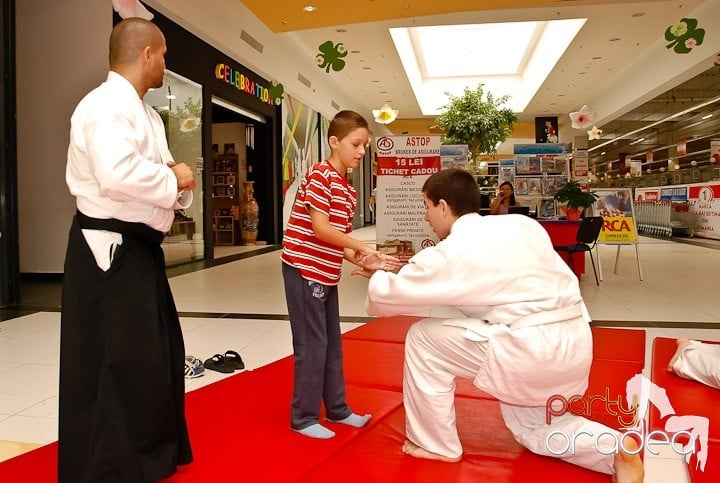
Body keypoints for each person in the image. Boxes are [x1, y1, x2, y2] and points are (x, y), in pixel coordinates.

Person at [362, 169, 643, 482]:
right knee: (534, 428)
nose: (426, 218)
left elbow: (389, 297)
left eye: (426, 207)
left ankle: (435, 443)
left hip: (529, 351)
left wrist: (376, 274)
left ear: (443, 206)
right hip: (576, 345)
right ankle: (613, 449)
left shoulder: (452, 251)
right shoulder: (522, 225)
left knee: (421, 337)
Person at [60, 18, 195, 482]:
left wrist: (174, 183)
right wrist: (174, 179)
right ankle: (112, 463)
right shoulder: (103, 107)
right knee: (114, 359)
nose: (165, 63)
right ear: (146, 55)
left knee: (154, 354)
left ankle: (147, 452)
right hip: (108, 249)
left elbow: (160, 177)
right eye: (164, 55)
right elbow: (118, 177)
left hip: (140, 247)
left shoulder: (147, 114)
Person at [281, 110, 402, 439]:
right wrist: (365, 247)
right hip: (304, 268)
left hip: (326, 272)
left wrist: (365, 260)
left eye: (365, 145)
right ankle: (304, 417)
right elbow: (321, 229)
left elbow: (340, 244)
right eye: (356, 144)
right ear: (334, 142)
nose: (362, 151)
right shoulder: (319, 176)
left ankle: (337, 409)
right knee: (312, 344)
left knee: (332, 344)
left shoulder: (348, 191)